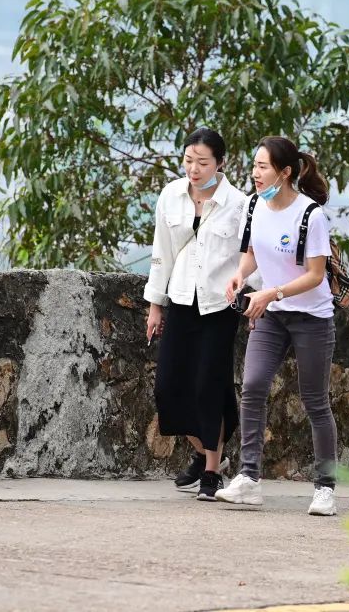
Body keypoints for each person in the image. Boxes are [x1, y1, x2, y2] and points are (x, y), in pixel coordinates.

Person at [217, 136, 340, 516]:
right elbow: (252, 253)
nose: (255, 173)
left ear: (285, 173)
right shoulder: (254, 205)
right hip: (272, 314)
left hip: (311, 318)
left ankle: (325, 487)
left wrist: (272, 293)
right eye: (254, 165)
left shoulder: (310, 216)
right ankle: (249, 479)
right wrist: (240, 275)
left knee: (315, 401)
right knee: (252, 387)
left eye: (263, 167)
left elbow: (317, 276)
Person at [143, 127, 247, 501]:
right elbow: (162, 253)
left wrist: (254, 296)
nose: (194, 169)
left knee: (208, 386)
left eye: (203, 162)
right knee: (168, 386)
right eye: (189, 161)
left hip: (220, 306)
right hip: (182, 299)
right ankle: (204, 449)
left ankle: (211, 470)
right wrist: (156, 305)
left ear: (221, 164)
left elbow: (248, 257)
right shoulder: (171, 196)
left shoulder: (238, 203)